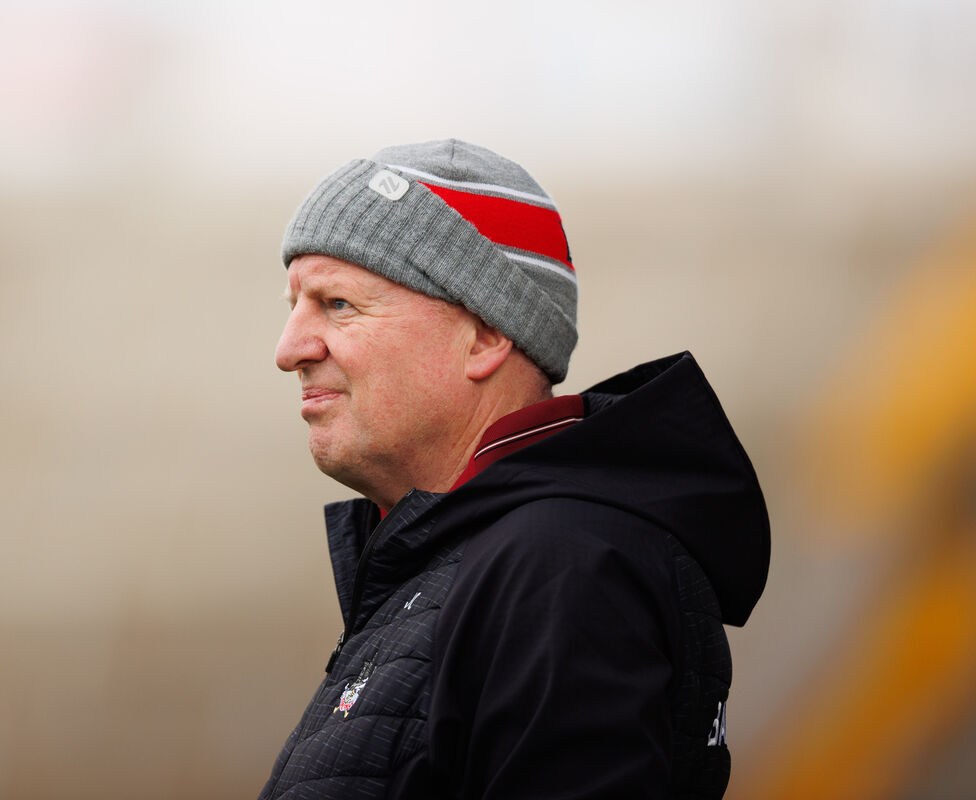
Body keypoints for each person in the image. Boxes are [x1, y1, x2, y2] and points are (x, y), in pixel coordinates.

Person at [259, 139, 770, 800]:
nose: (289, 348)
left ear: (487, 335)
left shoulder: (561, 567)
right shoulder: (469, 563)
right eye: (294, 306)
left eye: (337, 305)